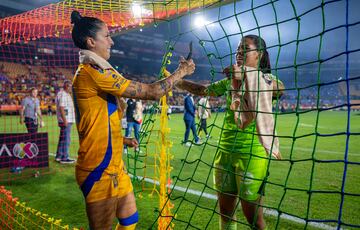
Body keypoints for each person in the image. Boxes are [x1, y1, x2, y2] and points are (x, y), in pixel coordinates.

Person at [70, 11, 195, 230]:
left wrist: (122, 140)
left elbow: (100, 118)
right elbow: (154, 91)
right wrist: (181, 72)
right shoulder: (94, 72)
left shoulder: (97, 69)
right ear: (91, 42)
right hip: (98, 170)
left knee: (130, 221)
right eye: (106, 36)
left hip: (115, 166)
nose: (111, 40)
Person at [176, 34, 283, 230]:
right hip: (224, 153)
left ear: (259, 55)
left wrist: (248, 75)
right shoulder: (229, 82)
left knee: (254, 220)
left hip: (252, 154)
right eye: (237, 49)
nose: (239, 53)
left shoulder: (267, 79)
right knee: (225, 213)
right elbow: (202, 90)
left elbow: (279, 89)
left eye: (245, 49)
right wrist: (176, 80)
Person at [55, 80, 76, 164]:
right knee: (66, 139)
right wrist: (65, 120)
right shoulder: (63, 94)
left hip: (64, 119)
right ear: (67, 86)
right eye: (70, 87)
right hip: (66, 120)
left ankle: (59, 156)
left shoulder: (62, 94)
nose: (71, 89)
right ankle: (65, 157)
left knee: (62, 138)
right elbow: (62, 108)